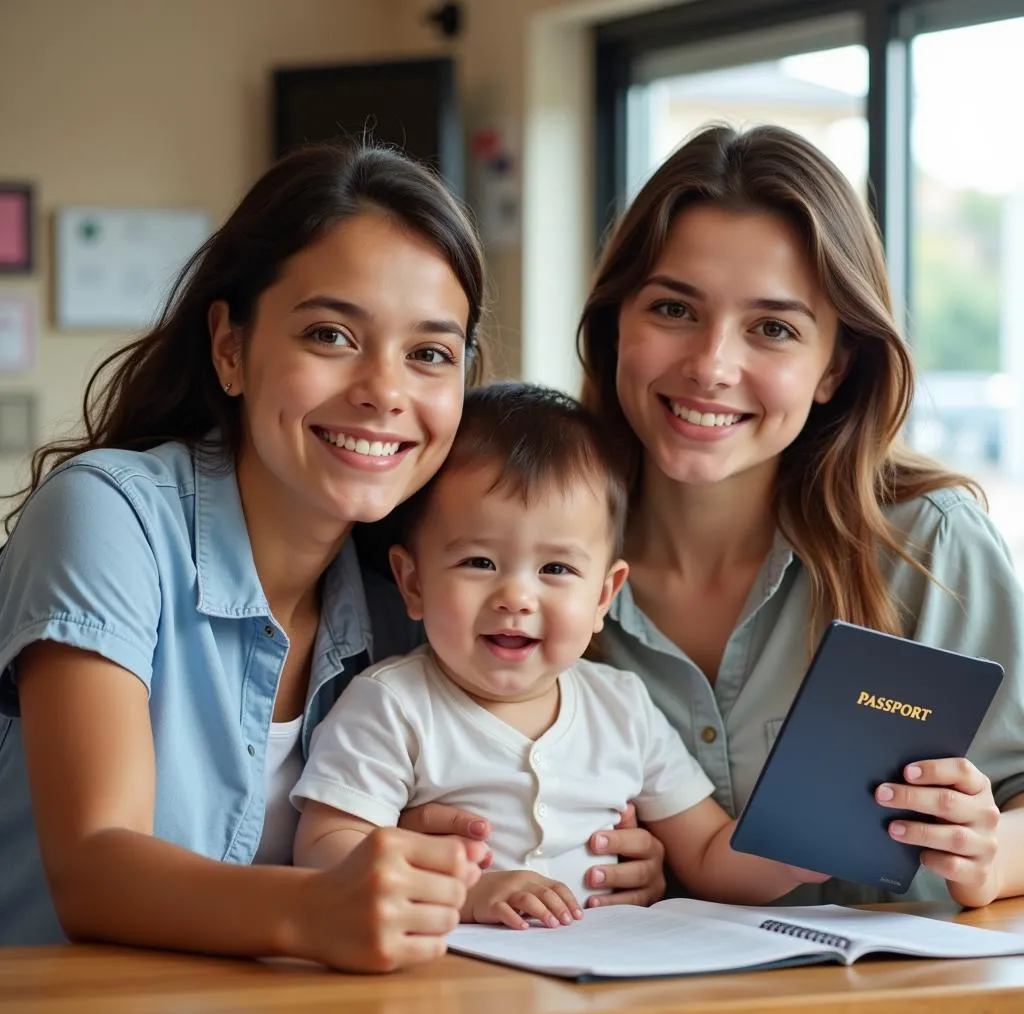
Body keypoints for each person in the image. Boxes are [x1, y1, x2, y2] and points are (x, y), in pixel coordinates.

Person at [0, 142, 497, 970]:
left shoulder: (405, 593)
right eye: (331, 334)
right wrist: (323, 905)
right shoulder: (108, 516)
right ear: (231, 347)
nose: (385, 390)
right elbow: (93, 865)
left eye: (430, 353)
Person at [575, 123, 1024, 909]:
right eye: (674, 308)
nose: (712, 365)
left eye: (773, 329)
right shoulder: (522, 554)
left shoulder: (930, 544)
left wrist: (992, 857)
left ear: (834, 367)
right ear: (618, 324)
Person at [291, 381, 825, 928]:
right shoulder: (391, 706)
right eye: (479, 562)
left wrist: (792, 856)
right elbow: (327, 847)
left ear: (602, 596)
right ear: (413, 582)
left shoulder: (622, 707)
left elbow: (710, 853)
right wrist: (465, 892)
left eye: (556, 570)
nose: (516, 598)